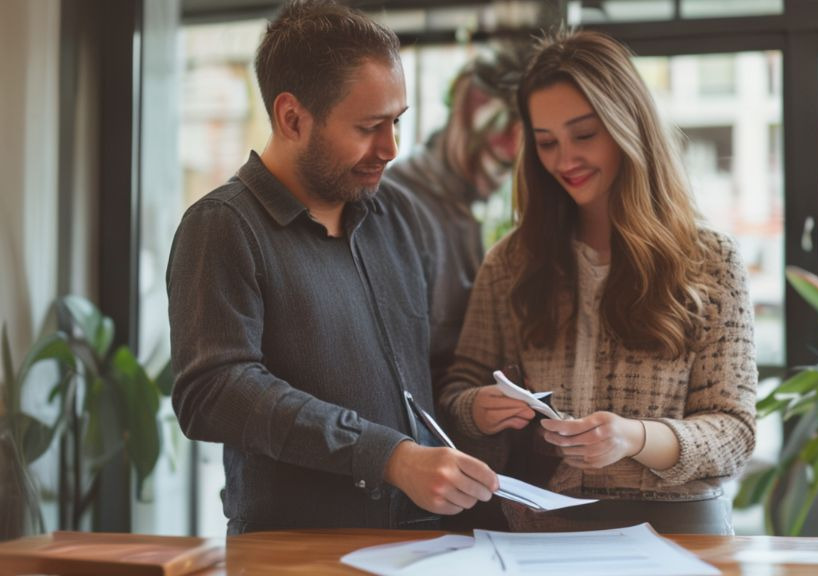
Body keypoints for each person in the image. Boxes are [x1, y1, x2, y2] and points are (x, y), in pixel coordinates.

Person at [166, 0, 498, 535]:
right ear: (292, 117)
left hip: (424, 543)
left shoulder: (399, 215)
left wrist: (470, 407)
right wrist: (386, 457)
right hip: (296, 551)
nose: (391, 148)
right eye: (369, 126)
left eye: (397, 121)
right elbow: (214, 392)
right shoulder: (222, 227)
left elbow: (424, 371)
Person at [439, 29, 757, 534]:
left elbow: (735, 432)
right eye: (546, 143)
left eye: (584, 135)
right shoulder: (511, 262)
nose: (565, 160)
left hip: (679, 529)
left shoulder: (710, 260)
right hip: (545, 529)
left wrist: (633, 437)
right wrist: (478, 410)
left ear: (627, 124)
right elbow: (457, 392)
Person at [383, 45, 526, 389]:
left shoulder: (478, 207)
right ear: (461, 118)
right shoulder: (398, 203)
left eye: (511, 164)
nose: (499, 172)